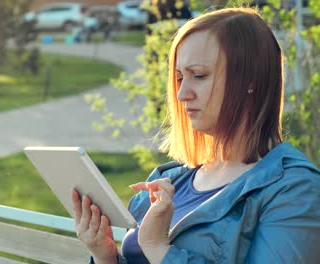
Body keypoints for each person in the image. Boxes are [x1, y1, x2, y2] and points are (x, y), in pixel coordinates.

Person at [71, 7, 320, 263]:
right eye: (180, 78)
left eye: (199, 76)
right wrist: (104, 255)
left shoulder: (294, 190)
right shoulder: (168, 180)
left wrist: (158, 248)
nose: (182, 94)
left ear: (251, 80)